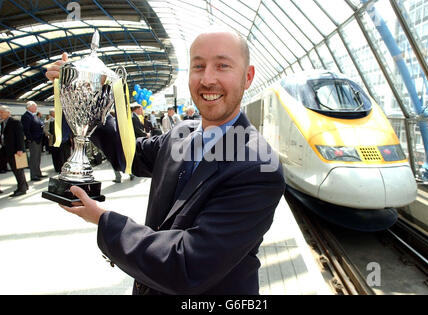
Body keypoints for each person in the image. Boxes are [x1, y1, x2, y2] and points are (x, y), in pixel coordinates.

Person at [45, 29, 285, 295]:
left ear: (248, 76)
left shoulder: (258, 167)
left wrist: (103, 220)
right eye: (198, 66)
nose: (207, 79)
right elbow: (127, 154)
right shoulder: (182, 134)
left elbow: (187, 265)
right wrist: (82, 93)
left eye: (222, 66)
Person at [0, 106, 28, 197]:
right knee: (16, 169)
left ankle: (22, 189)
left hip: (16, 151)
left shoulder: (14, 121)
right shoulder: (3, 122)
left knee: (18, 170)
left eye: (1, 112)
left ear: (8, 112)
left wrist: (20, 149)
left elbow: (20, 136)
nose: (0, 114)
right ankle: (24, 186)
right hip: (7, 150)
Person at [21, 101, 46, 181]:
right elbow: (26, 129)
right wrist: (31, 139)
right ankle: (34, 175)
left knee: (38, 158)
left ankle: (38, 173)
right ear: (29, 107)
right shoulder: (26, 116)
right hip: (34, 141)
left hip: (38, 140)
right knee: (33, 158)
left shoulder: (34, 115)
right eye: (35, 107)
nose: (36, 108)